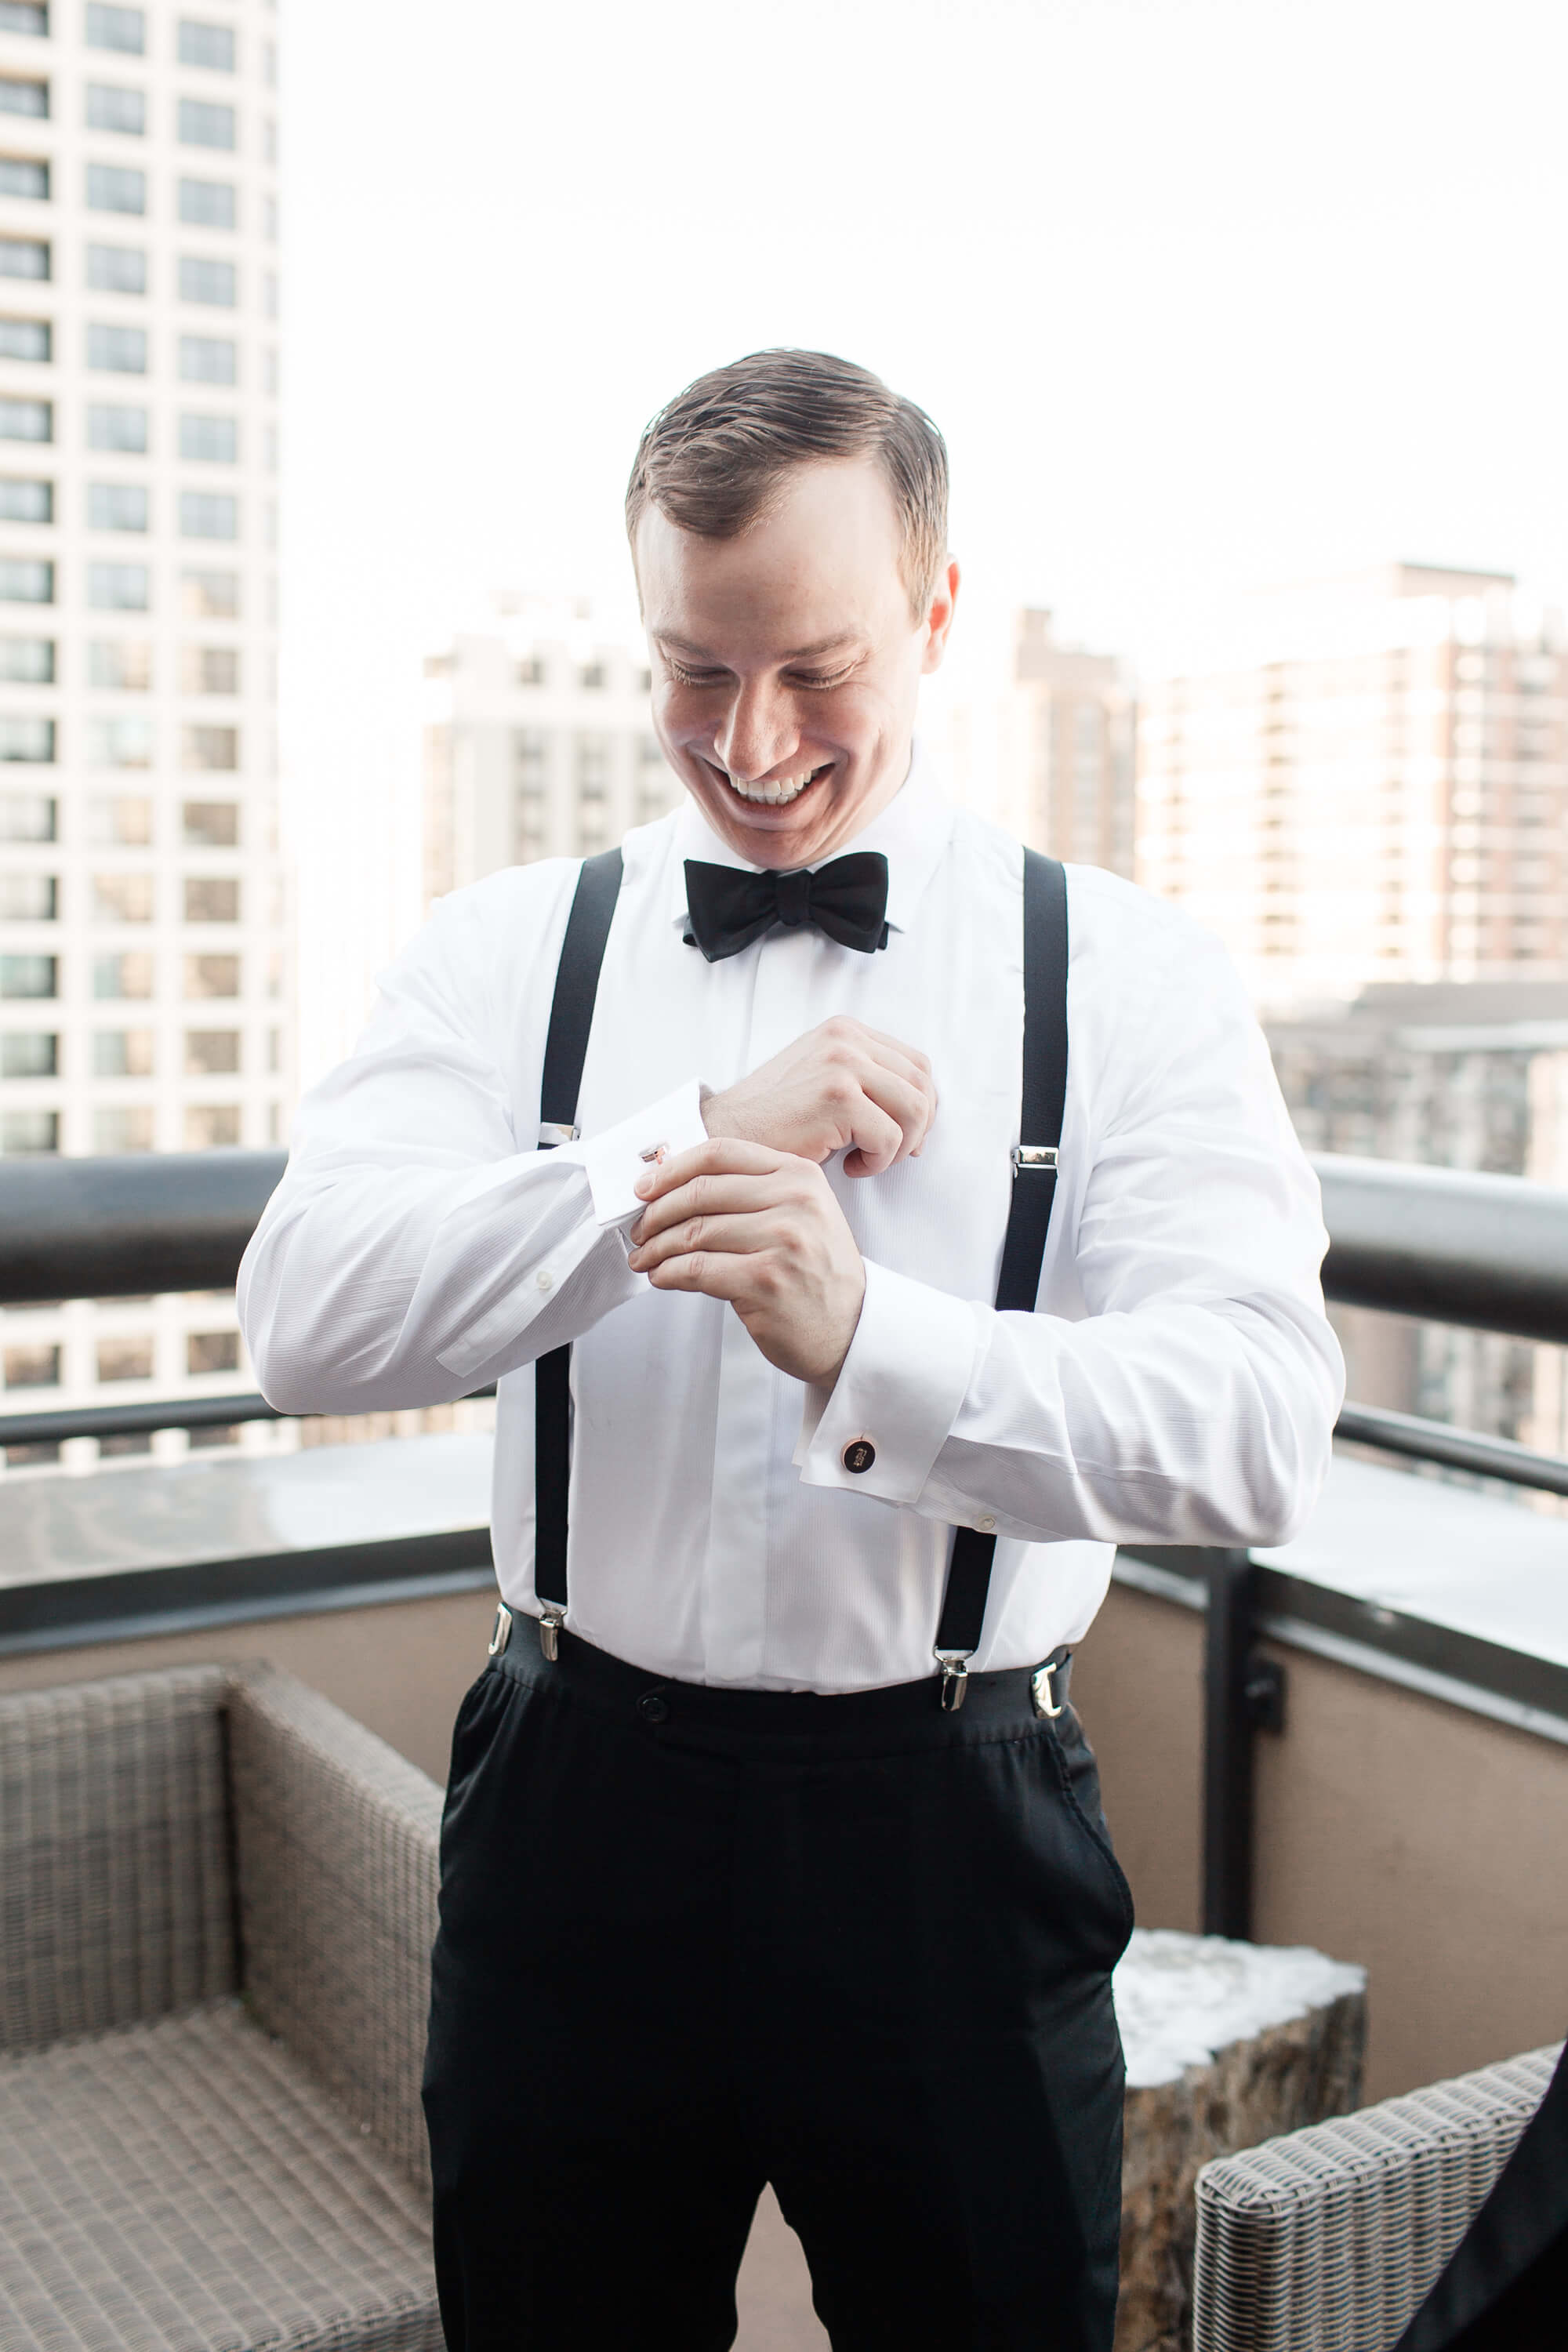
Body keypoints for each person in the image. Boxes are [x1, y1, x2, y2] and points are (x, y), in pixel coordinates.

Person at [238, 348, 1344, 2352]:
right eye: (691, 671)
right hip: (575, 1810)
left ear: (935, 616)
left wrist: (874, 1344)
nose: (747, 744)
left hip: (954, 1830)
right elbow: (305, 1316)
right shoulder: (507, 951)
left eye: (813, 668)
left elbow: (1258, 1431)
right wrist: (673, 1152)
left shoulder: (1127, 978)